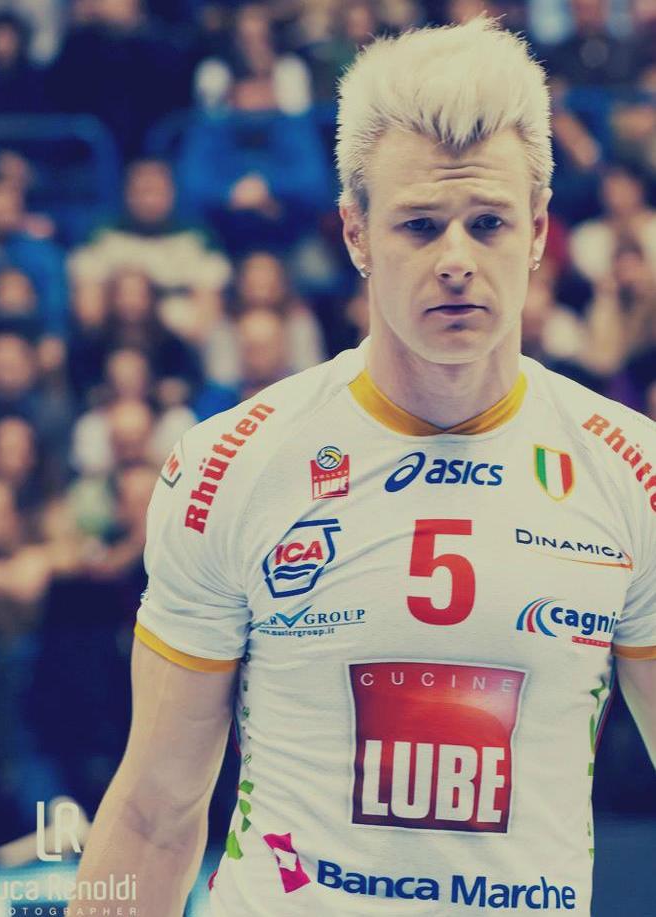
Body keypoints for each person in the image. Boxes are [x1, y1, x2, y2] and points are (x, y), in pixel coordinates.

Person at [74, 17, 655, 916]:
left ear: (540, 230)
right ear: (355, 232)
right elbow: (154, 813)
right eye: (419, 226)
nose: (456, 261)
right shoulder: (231, 464)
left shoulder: (631, 472)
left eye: (488, 223)